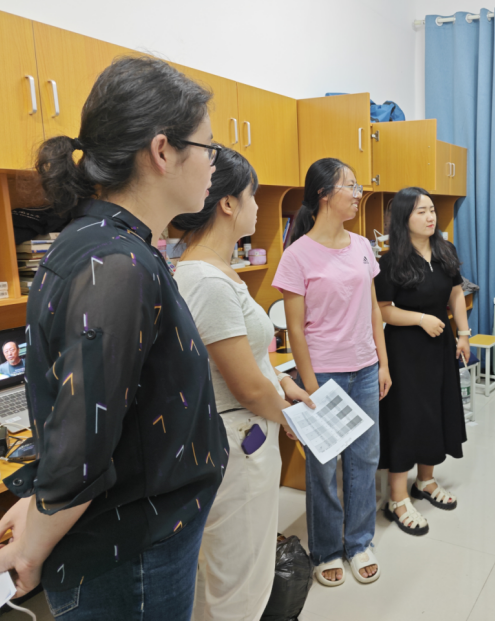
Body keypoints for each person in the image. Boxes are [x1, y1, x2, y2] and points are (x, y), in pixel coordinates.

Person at [0, 57, 229, 620]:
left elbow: (92, 407)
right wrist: (33, 546)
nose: (215, 164)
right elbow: (82, 446)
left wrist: (36, 502)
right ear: (163, 150)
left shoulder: (106, 244)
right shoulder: (116, 264)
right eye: (209, 148)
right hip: (132, 554)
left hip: (137, 534)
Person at [173, 147, 315, 621]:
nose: (258, 206)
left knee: (234, 574)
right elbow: (246, 388)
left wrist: (283, 383)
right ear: (228, 203)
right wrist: (295, 420)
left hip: (245, 436)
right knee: (236, 587)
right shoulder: (207, 281)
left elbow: (246, 359)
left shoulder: (215, 270)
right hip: (239, 444)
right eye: (253, 195)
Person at [272, 158, 391, 587]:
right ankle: (326, 549)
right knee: (323, 467)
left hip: (365, 370)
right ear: (324, 194)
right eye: (350, 187)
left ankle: (359, 542)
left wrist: (383, 362)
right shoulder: (297, 256)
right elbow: (296, 331)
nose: (358, 194)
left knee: (364, 459)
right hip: (323, 375)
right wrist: (311, 387)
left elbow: (373, 310)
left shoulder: (361, 246)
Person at [375, 187, 468, 536]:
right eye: (421, 211)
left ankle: (425, 481)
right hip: (404, 349)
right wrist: (420, 319)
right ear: (404, 218)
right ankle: (398, 498)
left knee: (436, 411)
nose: (430, 217)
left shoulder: (445, 251)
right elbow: (383, 311)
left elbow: (455, 292)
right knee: (406, 417)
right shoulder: (389, 262)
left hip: (440, 345)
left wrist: (464, 334)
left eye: (431, 210)